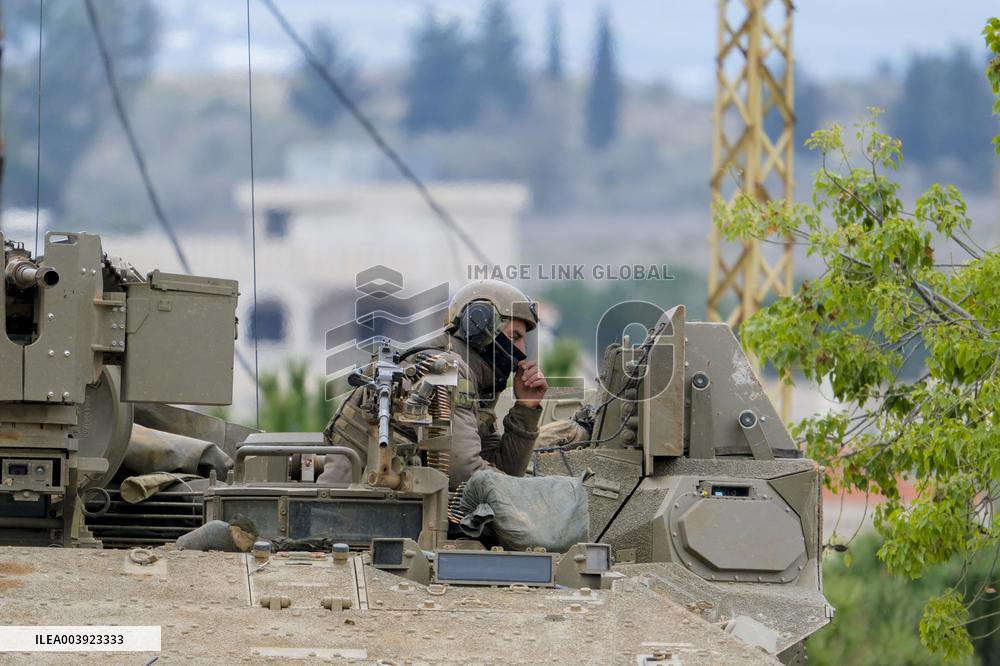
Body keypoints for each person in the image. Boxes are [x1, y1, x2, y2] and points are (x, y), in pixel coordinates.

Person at [318, 279, 549, 490]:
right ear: (480, 327)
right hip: (355, 514)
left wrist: (525, 409)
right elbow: (465, 474)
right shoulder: (445, 370)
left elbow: (501, 470)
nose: (522, 353)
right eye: (515, 337)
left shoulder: (470, 378)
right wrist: (525, 495)